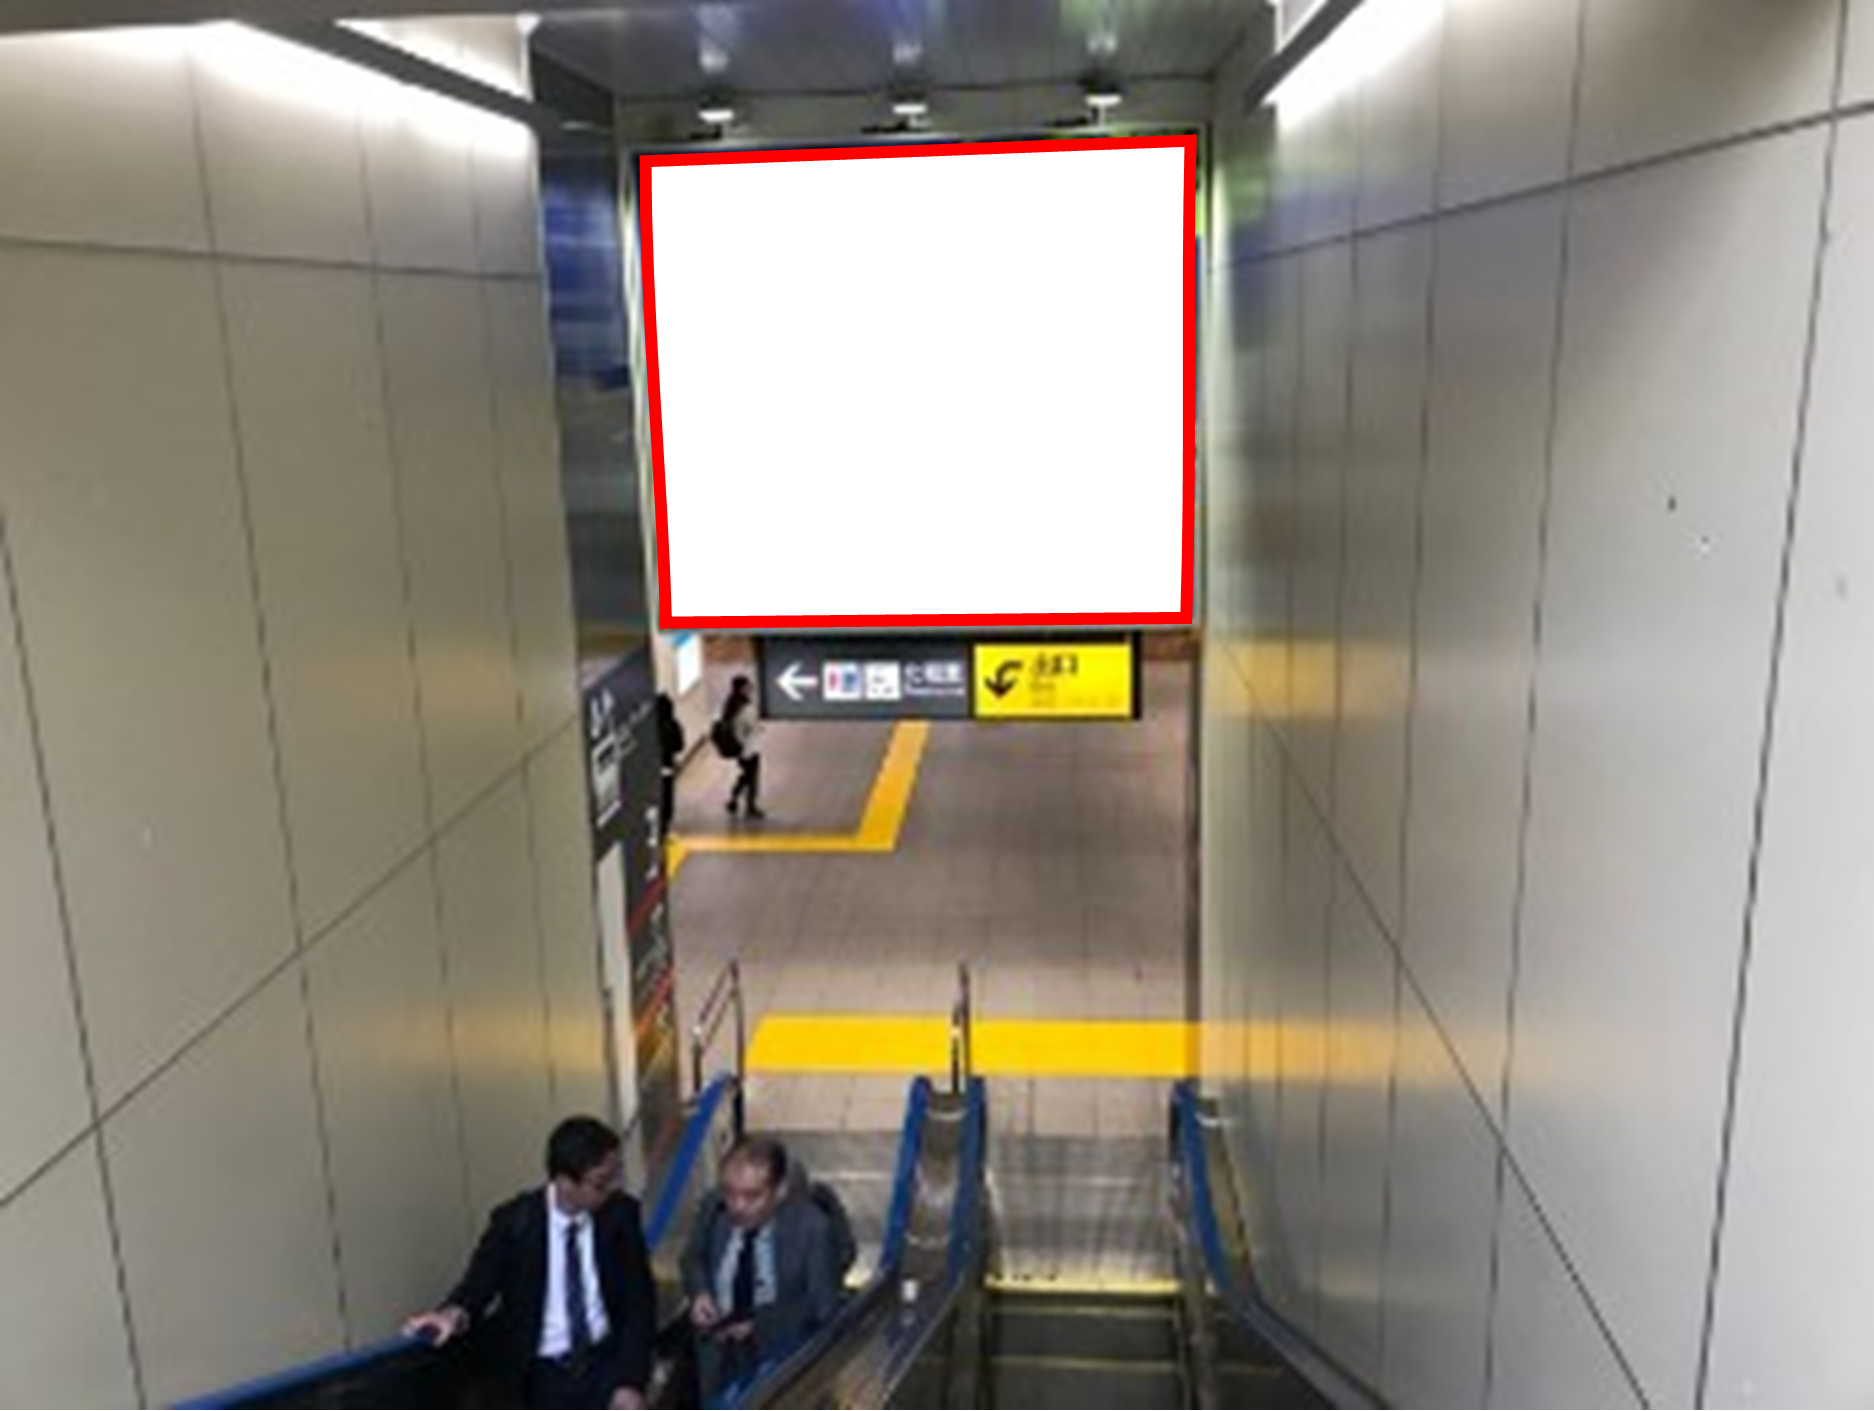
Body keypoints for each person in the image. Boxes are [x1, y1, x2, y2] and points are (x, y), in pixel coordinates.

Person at [404, 1116, 657, 1410]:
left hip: (603, 1368)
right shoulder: (515, 1223)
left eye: (617, 1175)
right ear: (564, 1183)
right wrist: (450, 1314)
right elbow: (477, 1287)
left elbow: (639, 1303)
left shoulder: (621, 1215)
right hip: (540, 1380)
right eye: (601, 1182)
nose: (614, 1187)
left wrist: (630, 1381)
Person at [680, 1136, 842, 1398]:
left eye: (752, 1196)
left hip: (781, 1369)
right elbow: (693, 1258)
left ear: (780, 1190)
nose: (737, 1206)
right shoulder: (713, 1208)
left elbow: (822, 1306)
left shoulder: (812, 1228)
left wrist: (759, 1324)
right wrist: (699, 1293)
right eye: (729, 1192)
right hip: (718, 1363)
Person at [720, 675, 765, 819]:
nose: (749, 689)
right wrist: (758, 727)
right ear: (740, 688)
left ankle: (733, 800)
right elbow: (752, 726)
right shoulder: (745, 708)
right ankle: (750, 807)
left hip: (739, 748)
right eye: (747, 686)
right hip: (749, 748)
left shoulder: (730, 704)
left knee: (746, 776)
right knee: (752, 779)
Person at [654, 691, 685, 838]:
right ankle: (665, 827)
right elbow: (679, 745)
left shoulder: (651, 727)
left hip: (652, 768)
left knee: (657, 795)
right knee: (667, 795)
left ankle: (658, 826)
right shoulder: (673, 724)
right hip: (667, 766)